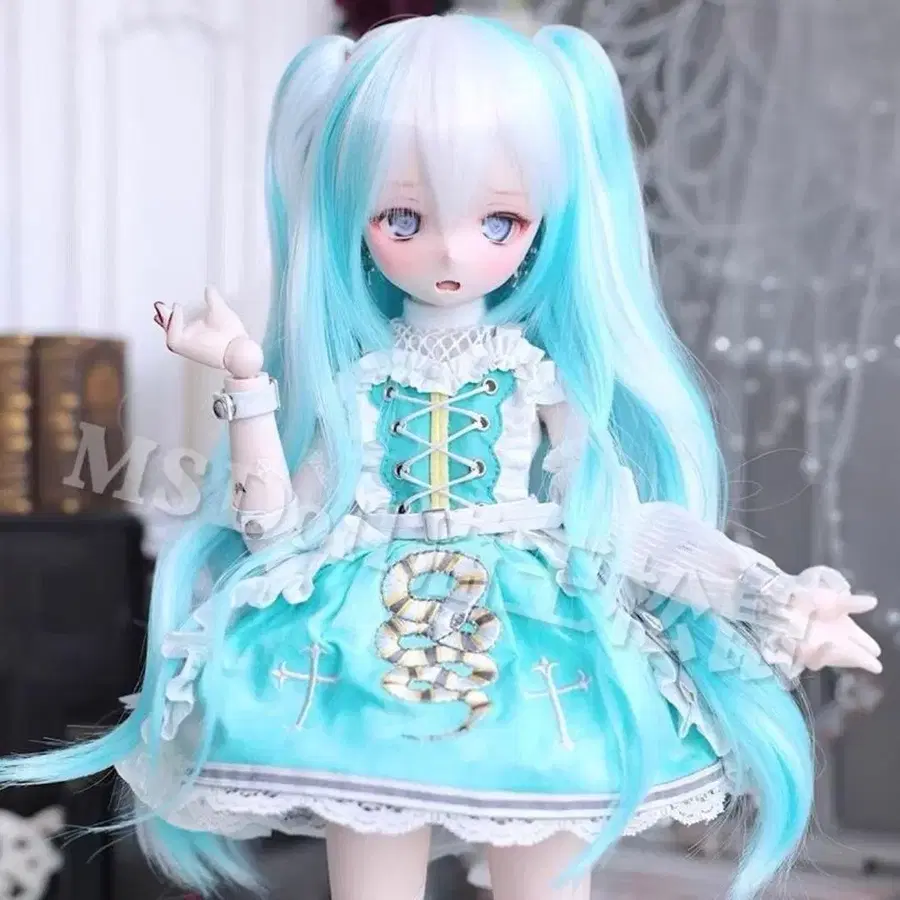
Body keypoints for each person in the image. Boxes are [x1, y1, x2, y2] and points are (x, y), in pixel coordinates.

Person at [0, 14, 882, 900]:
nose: (451, 250)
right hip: (362, 632)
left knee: (545, 859)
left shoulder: (534, 375)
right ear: (352, 218)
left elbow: (616, 521)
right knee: (371, 861)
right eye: (403, 217)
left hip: (533, 630)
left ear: (547, 221)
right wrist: (245, 381)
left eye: (499, 219)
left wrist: (766, 596)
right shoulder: (359, 381)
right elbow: (278, 529)